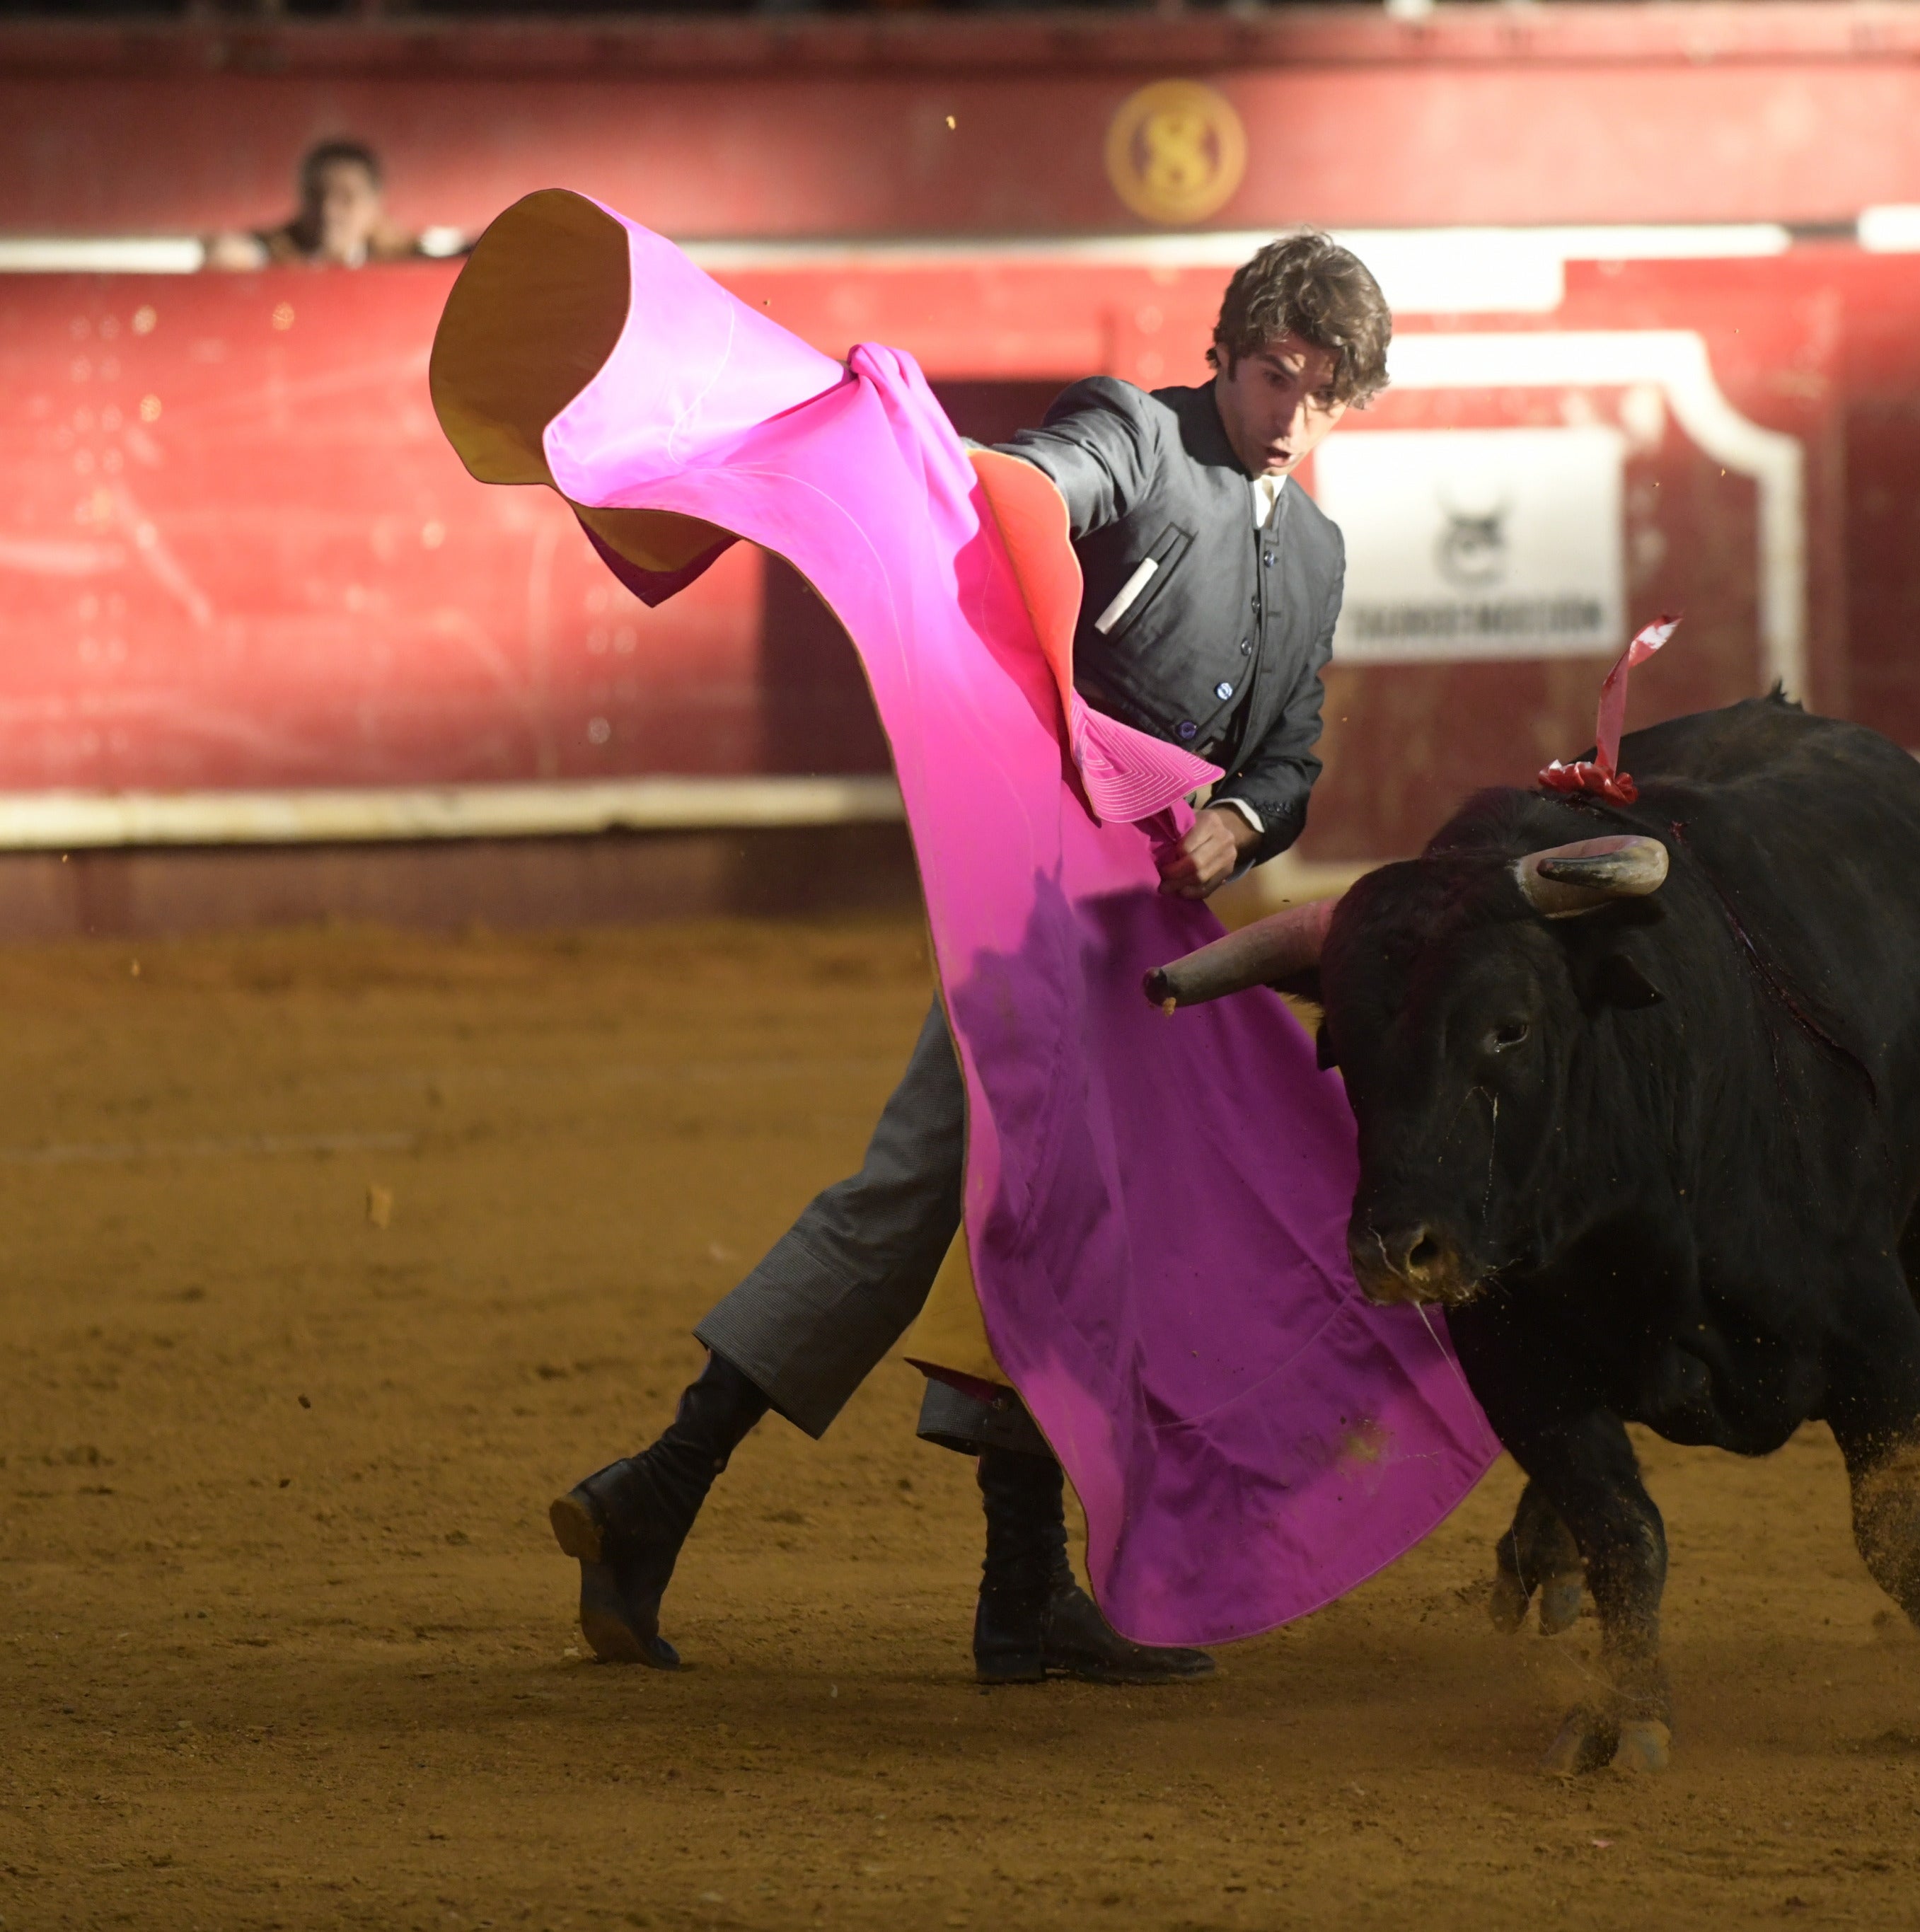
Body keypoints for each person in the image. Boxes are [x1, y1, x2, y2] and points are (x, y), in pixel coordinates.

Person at [549, 232, 1391, 1684]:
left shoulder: (1311, 551)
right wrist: (971, 479)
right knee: (939, 1204)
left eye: (1323, 396)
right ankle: (687, 1499)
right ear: (1227, 356)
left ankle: (937, 1569)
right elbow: (1021, 491)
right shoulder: (1136, 434)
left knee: (1046, 1221)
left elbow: (1294, 750)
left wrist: (1241, 821)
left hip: (1150, 942)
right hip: (1030, 908)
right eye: (1272, 380)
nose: (1290, 417)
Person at [204, 139, 424, 272]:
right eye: (316, 195)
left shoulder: (404, 258)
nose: (328, 211)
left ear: (375, 202)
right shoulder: (272, 253)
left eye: (346, 197)